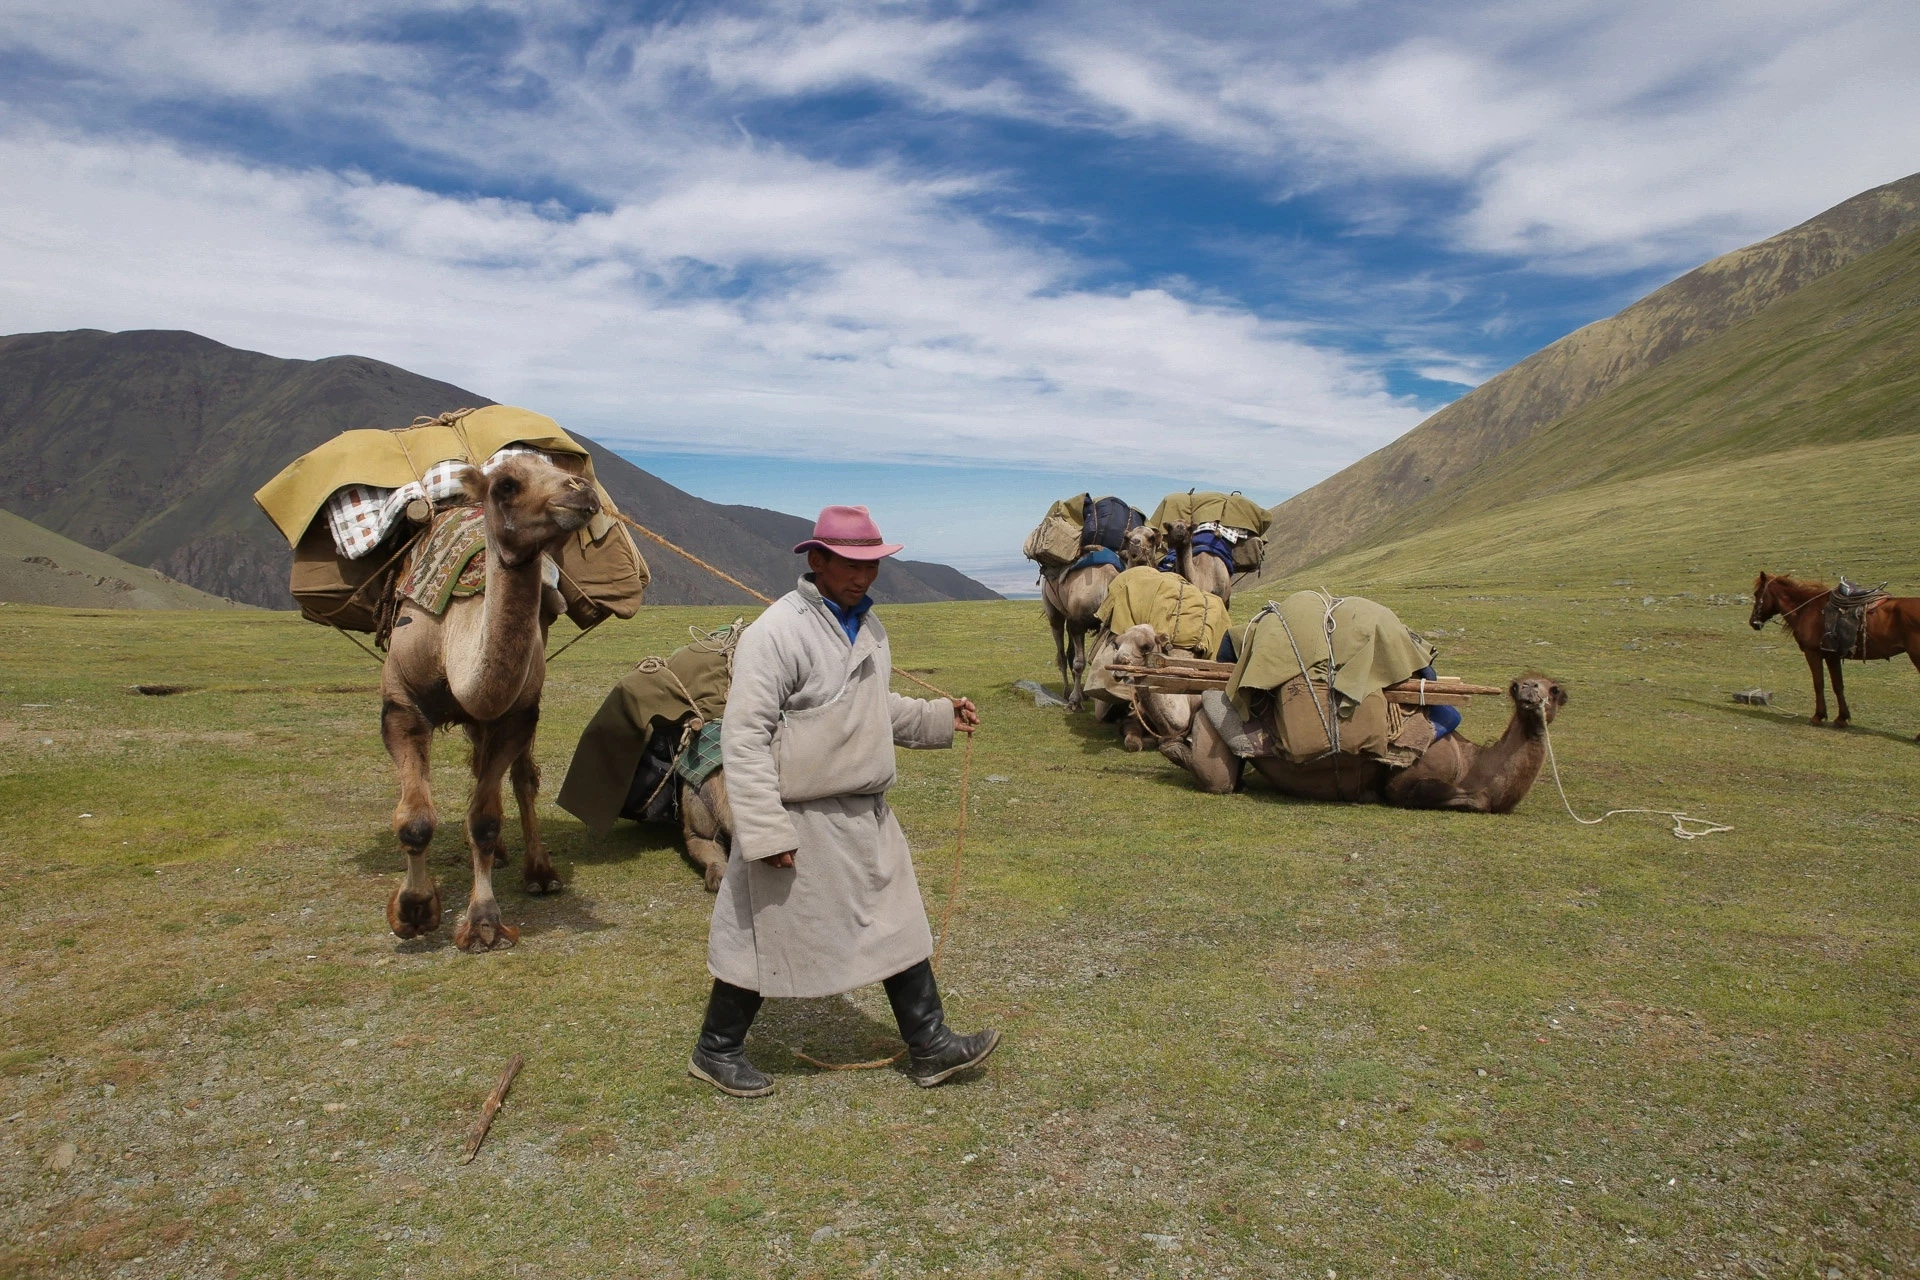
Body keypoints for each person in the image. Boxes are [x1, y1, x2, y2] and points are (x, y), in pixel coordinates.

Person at [689, 505, 997, 1096]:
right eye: (851, 565)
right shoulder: (776, 633)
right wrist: (765, 831)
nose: (863, 577)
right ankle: (716, 1049)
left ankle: (930, 1045)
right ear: (818, 560)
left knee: (897, 923)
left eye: (872, 565)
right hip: (800, 817)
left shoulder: (870, 628)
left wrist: (939, 717)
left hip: (865, 811)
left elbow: (872, 709)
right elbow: (744, 737)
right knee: (762, 935)